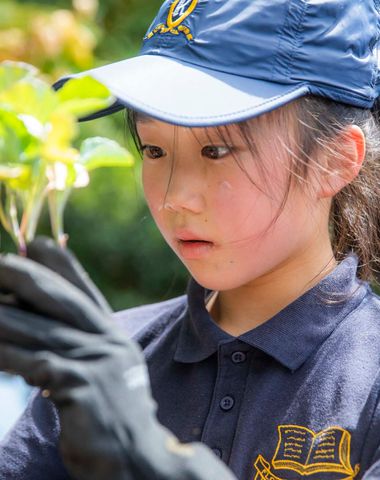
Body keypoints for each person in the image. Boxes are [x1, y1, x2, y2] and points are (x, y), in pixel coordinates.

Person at [0, 0, 380, 479]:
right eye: (154, 149)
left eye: (217, 150)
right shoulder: (103, 361)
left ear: (335, 160)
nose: (175, 197)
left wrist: (141, 451)